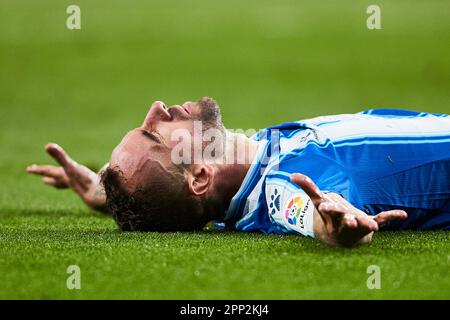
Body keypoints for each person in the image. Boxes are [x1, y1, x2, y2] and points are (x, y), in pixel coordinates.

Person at [27, 97, 450, 247]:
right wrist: (328, 222)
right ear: (198, 178)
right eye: (155, 134)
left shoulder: (261, 154)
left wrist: (111, 196)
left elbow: (166, 200)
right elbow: (301, 207)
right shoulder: (279, 187)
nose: (157, 109)